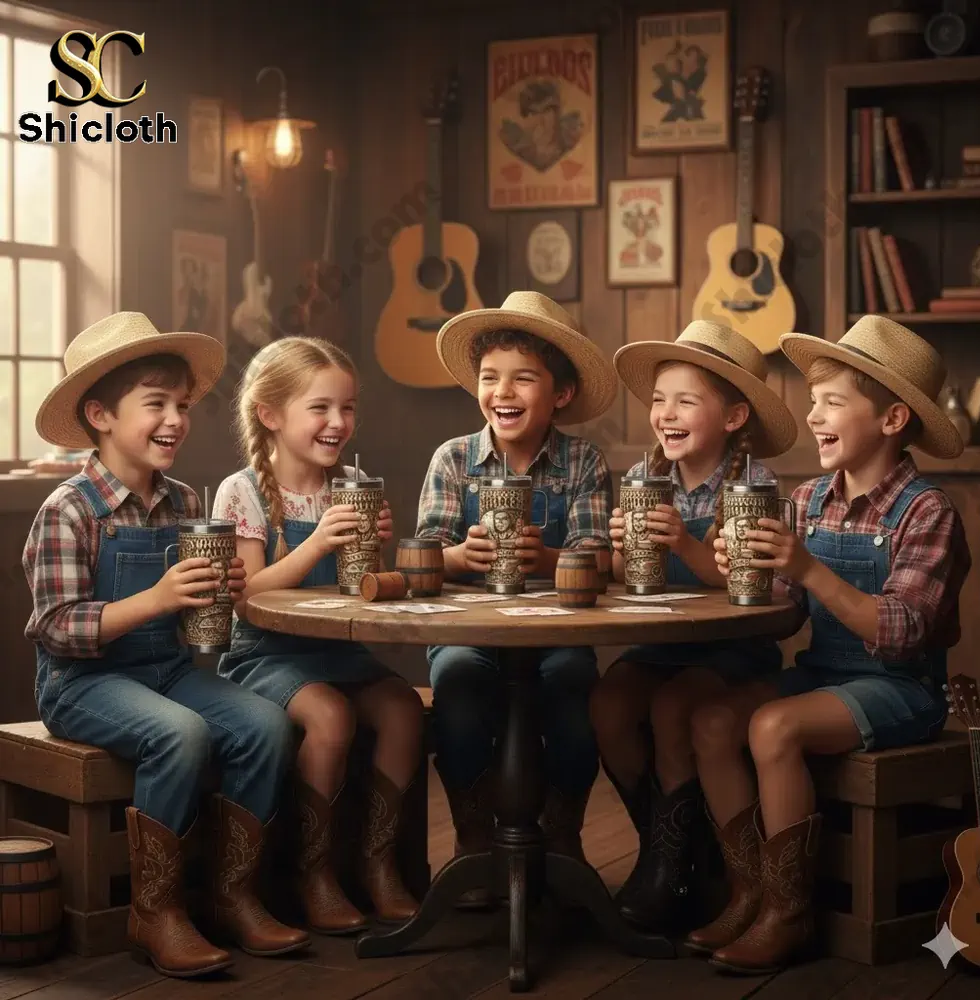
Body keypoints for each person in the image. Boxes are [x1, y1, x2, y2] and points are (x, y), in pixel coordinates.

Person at [24, 312, 308, 978]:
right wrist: (156, 597)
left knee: (266, 724)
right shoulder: (69, 510)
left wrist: (223, 591)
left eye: (181, 405)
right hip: (82, 683)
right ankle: (156, 910)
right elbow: (59, 628)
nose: (175, 419)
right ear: (100, 414)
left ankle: (234, 893)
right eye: (156, 404)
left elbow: (195, 628)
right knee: (180, 734)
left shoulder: (184, 501)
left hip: (168, 669)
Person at [693, 316, 971, 973]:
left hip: (901, 689)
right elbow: (788, 617)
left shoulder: (928, 512)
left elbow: (902, 632)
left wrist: (809, 567)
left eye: (833, 402)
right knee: (711, 721)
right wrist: (742, 570)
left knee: (772, 726)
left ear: (894, 418)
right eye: (813, 400)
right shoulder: (808, 497)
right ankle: (750, 890)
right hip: (824, 677)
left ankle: (789, 913)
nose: (813, 414)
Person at [589, 321, 798, 934]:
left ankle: (672, 871)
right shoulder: (641, 477)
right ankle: (667, 848)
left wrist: (681, 538)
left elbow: (739, 583)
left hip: (731, 652)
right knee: (606, 704)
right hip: (661, 645)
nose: (665, 413)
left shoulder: (751, 485)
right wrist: (624, 551)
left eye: (685, 400)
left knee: (675, 707)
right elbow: (630, 578)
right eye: (658, 399)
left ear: (733, 417)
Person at [215, 336, 424, 934]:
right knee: (331, 717)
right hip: (264, 656)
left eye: (349, 408)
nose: (339, 422)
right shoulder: (243, 491)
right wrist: (317, 542)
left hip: (340, 649)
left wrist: (377, 546)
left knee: (405, 709)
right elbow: (249, 594)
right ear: (271, 415)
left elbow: (362, 584)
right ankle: (315, 872)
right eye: (321, 408)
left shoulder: (351, 481)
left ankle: (379, 864)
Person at [416, 291, 616, 907]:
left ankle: (562, 832)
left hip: (556, 634)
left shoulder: (583, 462)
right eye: (490, 377)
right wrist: (456, 558)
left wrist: (551, 561)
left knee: (577, 687)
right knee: (455, 679)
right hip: (469, 630)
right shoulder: (453, 458)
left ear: (560, 394)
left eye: (523, 378)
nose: (503, 391)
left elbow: (601, 558)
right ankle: (474, 835)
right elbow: (424, 554)